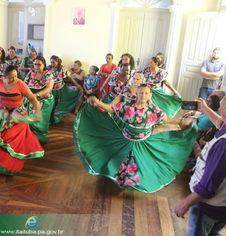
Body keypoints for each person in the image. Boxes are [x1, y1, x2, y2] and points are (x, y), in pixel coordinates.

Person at [74, 84, 197, 193]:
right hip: (125, 139)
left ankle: (135, 182)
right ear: (137, 93)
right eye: (141, 92)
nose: (143, 95)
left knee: (140, 166)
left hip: (143, 143)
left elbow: (168, 120)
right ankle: (120, 179)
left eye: (146, 93)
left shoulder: (153, 109)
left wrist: (183, 121)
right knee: (119, 161)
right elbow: (112, 109)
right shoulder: (128, 105)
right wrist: (98, 102)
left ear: (150, 95)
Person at [0, 65, 44, 175]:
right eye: (10, 77)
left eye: (15, 76)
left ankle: (8, 165)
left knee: (12, 141)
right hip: (3, 113)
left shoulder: (20, 84)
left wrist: (38, 112)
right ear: (4, 76)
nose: (13, 79)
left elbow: (32, 98)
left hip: (18, 114)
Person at [174, 96, 226, 236]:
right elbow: (219, 123)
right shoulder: (225, 129)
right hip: (222, 206)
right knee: (214, 233)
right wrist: (204, 109)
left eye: (222, 106)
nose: (219, 108)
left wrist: (185, 203)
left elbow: (208, 186)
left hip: (209, 206)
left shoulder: (223, 145)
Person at [24, 55, 54, 144]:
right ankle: (29, 132)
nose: (37, 66)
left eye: (39, 64)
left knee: (37, 109)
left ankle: (39, 132)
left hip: (44, 99)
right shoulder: (31, 73)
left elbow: (49, 88)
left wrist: (36, 95)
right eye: (35, 64)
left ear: (44, 64)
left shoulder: (48, 74)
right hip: (31, 97)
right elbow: (24, 84)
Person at [47, 55, 81, 124]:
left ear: (58, 62)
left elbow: (70, 78)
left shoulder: (62, 69)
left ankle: (55, 116)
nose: (52, 64)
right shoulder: (48, 69)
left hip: (61, 90)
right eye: (51, 62)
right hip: (51, 90)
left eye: (54, 62)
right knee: (51, 104)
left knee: (59, 103)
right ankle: (50, 117)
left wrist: (77, 85)